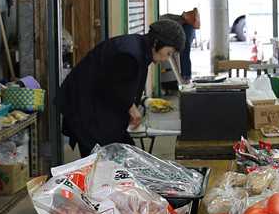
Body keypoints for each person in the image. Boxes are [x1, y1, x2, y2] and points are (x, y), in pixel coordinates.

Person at [57, 19, 185, 155]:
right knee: (103, 157)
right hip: (84, 106)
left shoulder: (141, 49)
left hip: (97, 104)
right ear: (156, 42)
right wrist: (131, 107)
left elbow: (124, 83)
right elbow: (112, 86)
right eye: (169, 53)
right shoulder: (130, 54)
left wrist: (142, 101)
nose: (166, 59)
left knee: (124, 152)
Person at [163, 8, 200, 83]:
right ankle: (186, 76)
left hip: (186, 29)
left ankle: (186, 76)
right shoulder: (178, 20)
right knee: (185, 53)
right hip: (186, 28)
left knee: (185, 52)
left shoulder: (182, 22)